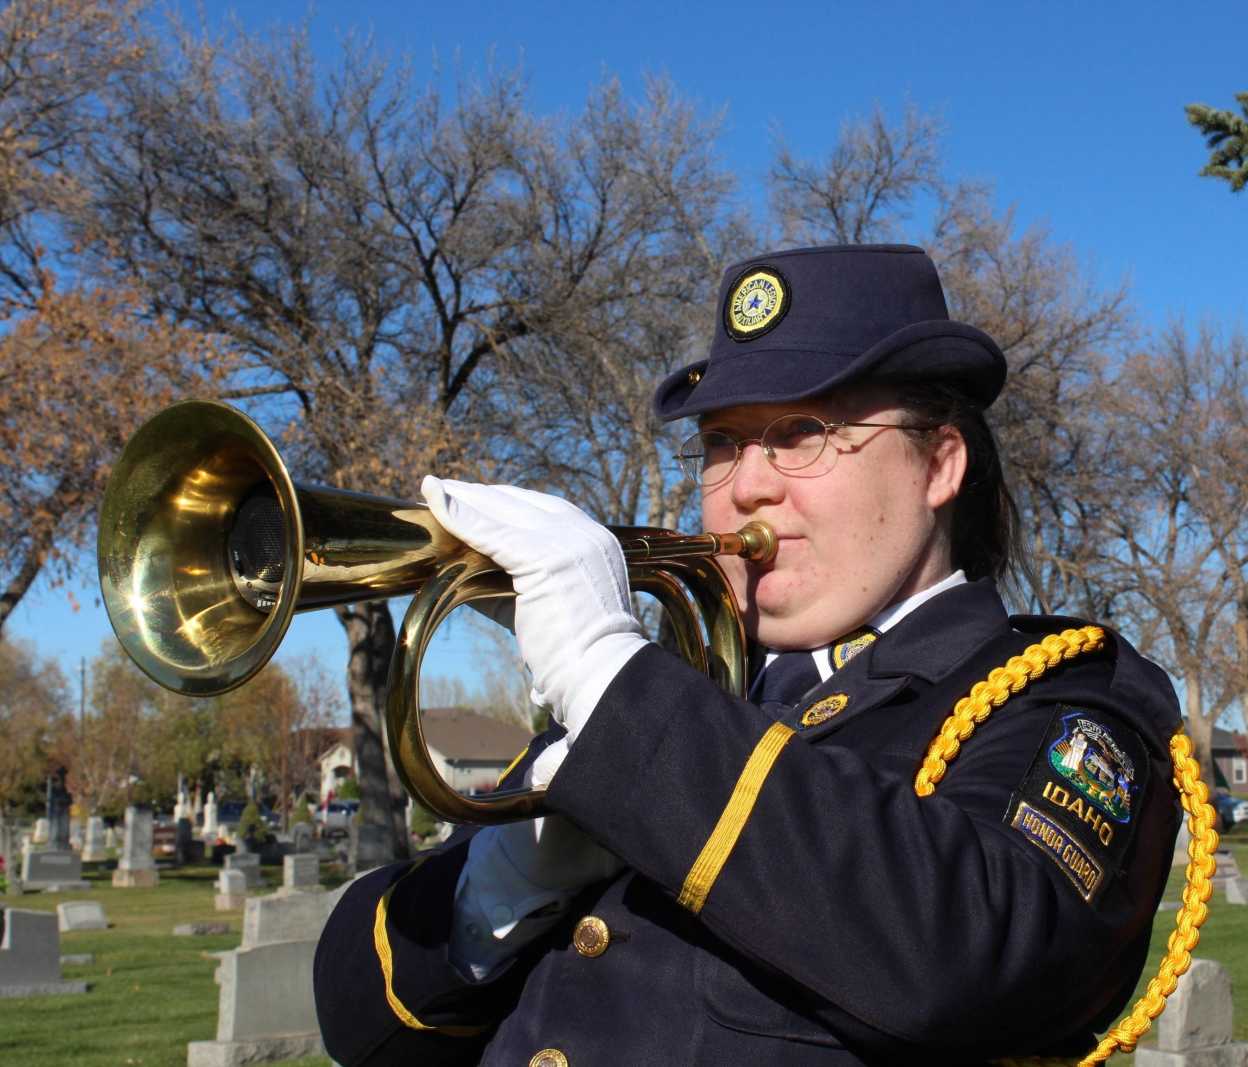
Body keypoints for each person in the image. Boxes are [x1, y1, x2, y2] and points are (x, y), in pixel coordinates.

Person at [313, 244, 1183, 1066]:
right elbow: (358, 1023)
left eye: (802, 433)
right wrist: (501, 886)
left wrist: (606, 676)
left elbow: (979, 953)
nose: (746, 486)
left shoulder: (1057, 697)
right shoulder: (681, 687)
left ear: (938, 466)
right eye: (722, 444)